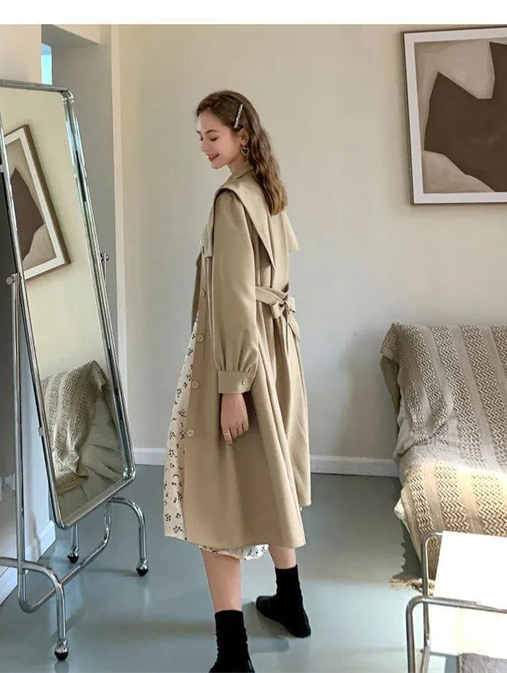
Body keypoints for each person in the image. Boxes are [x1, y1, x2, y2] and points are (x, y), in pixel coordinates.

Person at [163, 90, 311, 673]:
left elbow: (232, 302)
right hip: (275, 353)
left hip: (237, 359)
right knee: (270, 477)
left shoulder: (231, 200)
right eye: (199, 137)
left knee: (217, 495)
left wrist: (230, 387)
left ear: (241, 136)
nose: (203, 147)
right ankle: (290, 602)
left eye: (213, 136)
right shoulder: (267, 191)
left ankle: (233, 654)